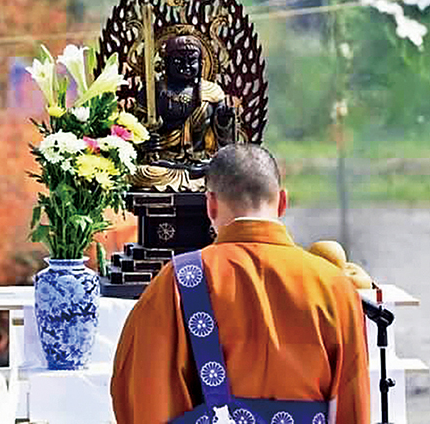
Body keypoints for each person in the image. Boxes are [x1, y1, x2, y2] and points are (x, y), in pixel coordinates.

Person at [111, 144, 370, 423]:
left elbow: (143, 391)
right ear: (282, 202)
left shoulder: (179, 281)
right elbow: (352, 403)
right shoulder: (334, 285)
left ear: (210, 204)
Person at [132, 35, 235, 191]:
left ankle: (193, 178)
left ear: (201, 64)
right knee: (140, 172)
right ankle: (188, 182)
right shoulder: (152, 92)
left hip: (201, 164)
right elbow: (133, 132)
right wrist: (144, 143)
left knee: (223, 173)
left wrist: (224, 122)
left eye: (192, 61)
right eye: (178, 61)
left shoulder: (212, 93)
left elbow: (225, 144)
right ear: (165, 64)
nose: (186, 66)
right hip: (162, 163)